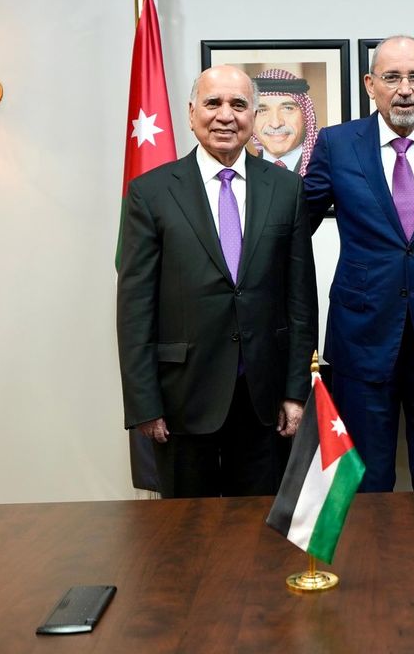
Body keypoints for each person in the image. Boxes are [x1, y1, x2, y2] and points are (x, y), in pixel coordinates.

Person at [117, 65, 317, 498]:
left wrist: (295, 392)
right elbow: (135, 308)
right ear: (192, 113)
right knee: (187, 530)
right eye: (213, 103)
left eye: (238, 105)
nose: (225, 115)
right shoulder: (151, 192)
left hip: (264, 399)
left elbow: (301, 300)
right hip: (182, 398)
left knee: (259, 527)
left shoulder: (287, 190)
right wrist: (144, 403)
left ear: (252, 116)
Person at [304, 36, 414, 492]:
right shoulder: (338, 144)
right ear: (370, 84)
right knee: (366, 485)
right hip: (361, 339)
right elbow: (294, 227)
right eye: (392, 77)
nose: (404, 89)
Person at [251, 69, 318, 175]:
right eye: (262, 110)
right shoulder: (239, 174)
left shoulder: (327, 170)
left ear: (305, 115)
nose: (275, 124)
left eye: (288, 108)